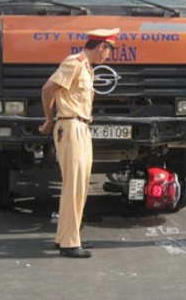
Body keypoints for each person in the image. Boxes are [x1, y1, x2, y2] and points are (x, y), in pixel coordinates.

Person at [39, 27, 119, 258]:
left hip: (81, 126)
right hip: (71, 125)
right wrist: (48, 119)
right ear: (102, 46)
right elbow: (48, 89)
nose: (108, 57)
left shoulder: (86, 67)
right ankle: (69, 243)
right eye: (108, 51)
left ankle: (65, 237)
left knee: (78, 186)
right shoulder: (74, 63)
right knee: (74, 186)